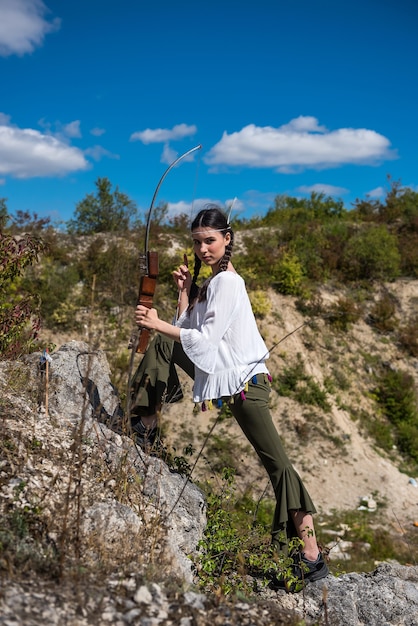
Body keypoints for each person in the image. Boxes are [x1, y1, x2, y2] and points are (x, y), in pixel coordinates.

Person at [134, 206, 329, 589]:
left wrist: (157, 323)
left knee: (279, 467)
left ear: (227, 239)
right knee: (163, 344)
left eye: (210, 240)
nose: (203, 248)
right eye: (197, 242)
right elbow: (185, 332)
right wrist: (184, 295)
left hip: (246, 385)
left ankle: (311, 555)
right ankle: (147, 424)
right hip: (227, 377)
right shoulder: (213, 283)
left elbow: (201, 343)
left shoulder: (228, 283)